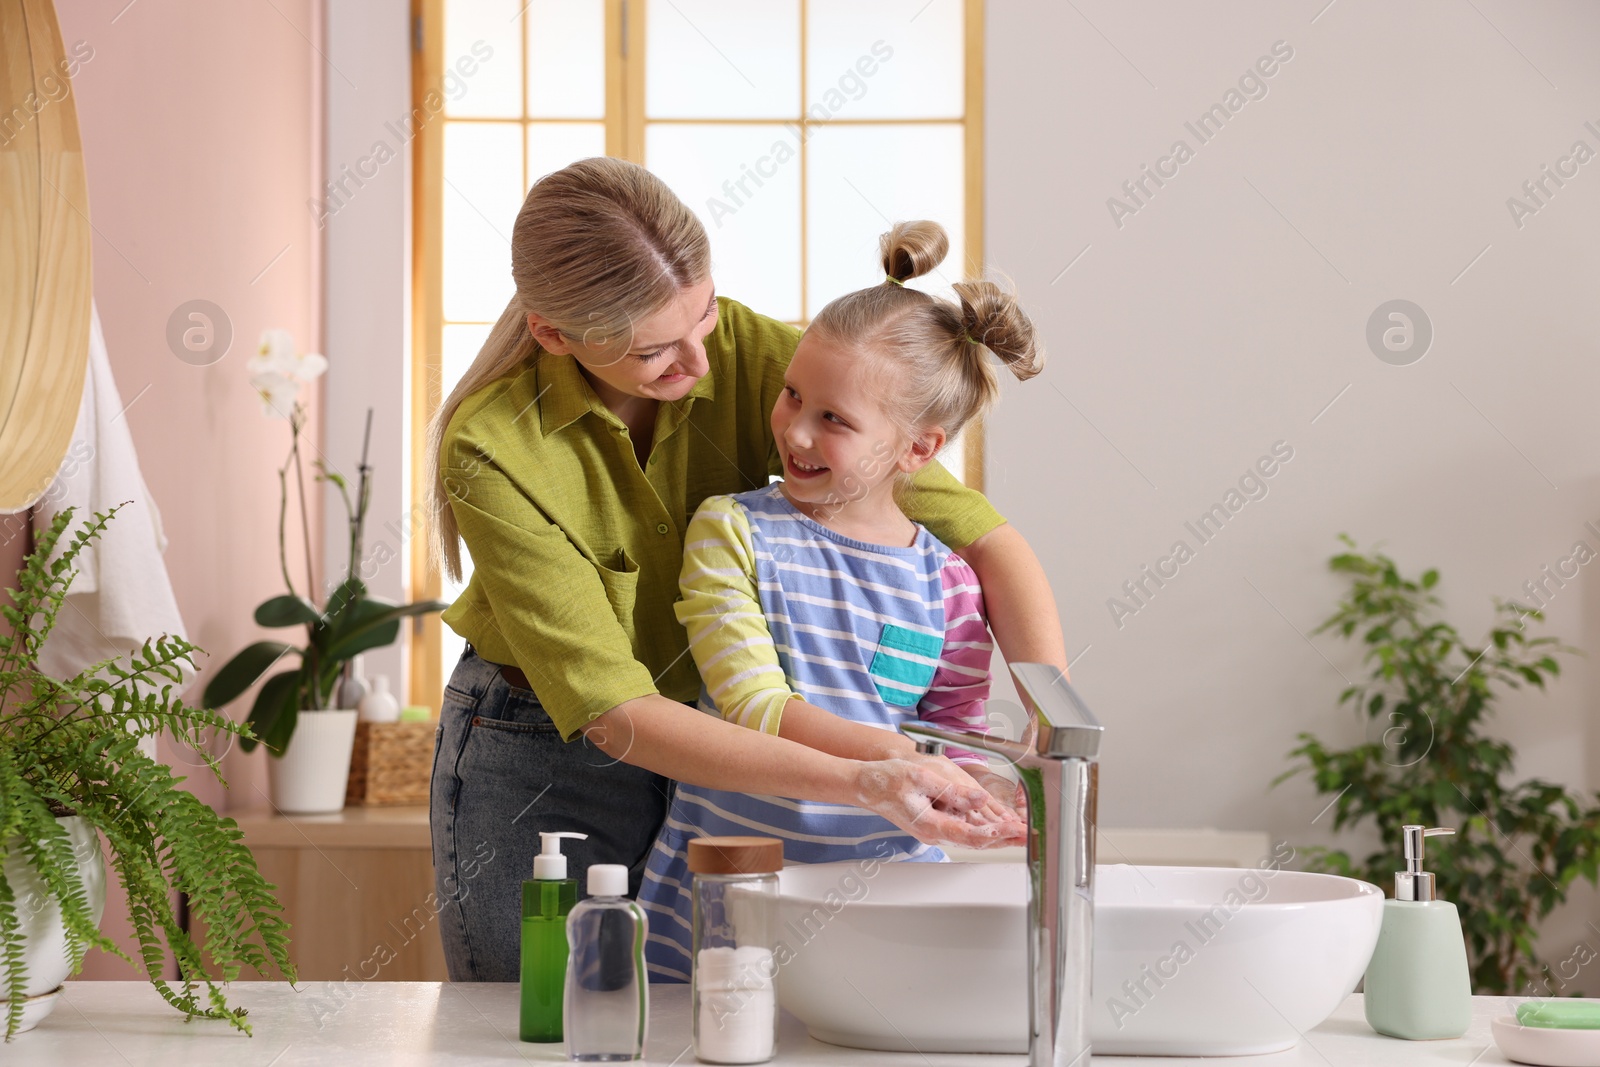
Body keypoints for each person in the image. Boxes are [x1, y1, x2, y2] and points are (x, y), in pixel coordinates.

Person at [425, 158, 1067, 982]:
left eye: (705, 315)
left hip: (731, 750)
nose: (700, 360)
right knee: (543, 1018)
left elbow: (985, 541)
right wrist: (873, 775)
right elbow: (615, 711)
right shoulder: (493, 445)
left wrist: (1054, 729)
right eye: (657, 352)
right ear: (554, 334)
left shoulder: (765, 357)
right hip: (544, 752)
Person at [637, 220, 1040, 980]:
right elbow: (753, 702)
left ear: (918, 448)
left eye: (835, 419)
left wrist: (989, 791)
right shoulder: (734, 532)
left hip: (887, 907)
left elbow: (953, 729)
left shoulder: (948, 581)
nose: (795, 430)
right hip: (731, 892)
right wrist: (905, 760)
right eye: (792, 395)